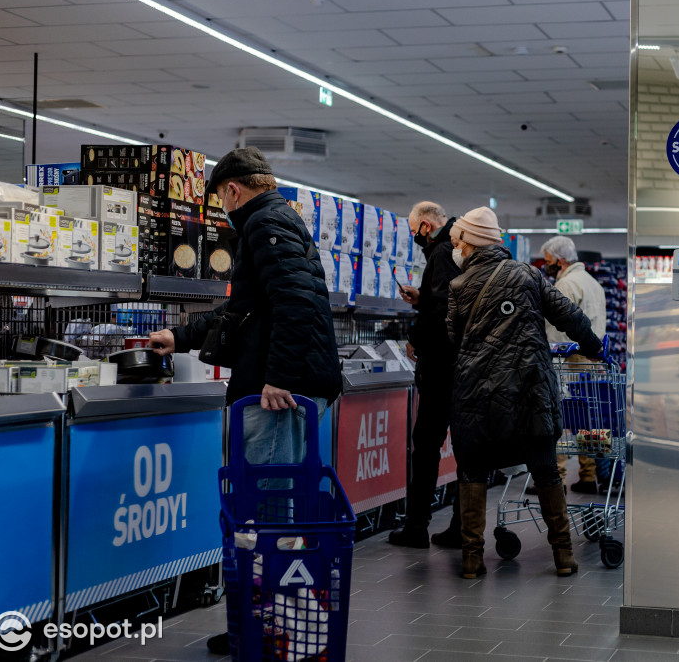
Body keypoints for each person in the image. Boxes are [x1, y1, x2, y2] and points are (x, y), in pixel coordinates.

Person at [148, 147, 342, 656]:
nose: (221, 209)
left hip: (277, 394)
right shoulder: (277, 219)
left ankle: (274, 628)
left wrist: (276, 379)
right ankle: (267, 621)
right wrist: (181, 335)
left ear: (232, 190)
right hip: (285, 384)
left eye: (220, 200)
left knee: (268, 512)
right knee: (270, 512)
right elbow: (245, 313)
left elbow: (295, 302)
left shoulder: (263, 223)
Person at [446, 207, 602, 579]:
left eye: (459, 242)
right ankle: (563, 556)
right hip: (530, 390)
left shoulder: (458, 286)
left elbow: (453, 337)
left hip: (476, 394)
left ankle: (471, 560)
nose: (458, 249)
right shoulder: (529, 276)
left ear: (471, 244)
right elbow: (569, 316)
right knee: (546, 471)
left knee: (473, 472)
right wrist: (593, 346)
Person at [388, 201, 462, 549]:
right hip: (459, 366)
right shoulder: (455, 249)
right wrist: (421, 299)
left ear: (426, 225)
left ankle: (417, 525)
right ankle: (462, 525)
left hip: (441, 368)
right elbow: (442, 300)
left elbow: (445, 310)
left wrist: (415, 336)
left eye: (414, 228)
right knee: (462, 447)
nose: (414, 236)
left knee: (426, 446)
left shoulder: (441, 251)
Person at [538, 236, 607, 496]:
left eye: (548, 261)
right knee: (587, 420)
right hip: (591, 360)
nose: (547, 266)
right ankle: (588, 476)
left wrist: (549, 356)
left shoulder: (566, 283)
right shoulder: (593, 283)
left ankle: (558, 476)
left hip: (568, 360)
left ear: (560, 260)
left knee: (561, 418)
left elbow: (558, 328)